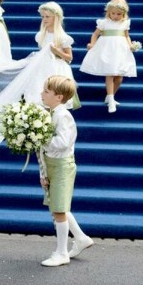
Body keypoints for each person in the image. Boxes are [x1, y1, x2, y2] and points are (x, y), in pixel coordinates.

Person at [38, 75, 92, 267]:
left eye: (46, 91)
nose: (42, 94)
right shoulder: (52, 113)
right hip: (52, 164)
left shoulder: (63, 116)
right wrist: (43, 172)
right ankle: (80, 237)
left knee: (59, 209)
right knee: (57, 204)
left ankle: (62, 253)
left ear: (59, 97)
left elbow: (62, 143)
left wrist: (40, 138)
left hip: (62, 165)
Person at [80, 0, 137, 113]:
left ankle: (109, 96)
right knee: (110, 74)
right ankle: (111, 100)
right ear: (109, 12)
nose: (116, 16)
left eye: (119, 14)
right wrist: (92, 44)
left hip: (120, 50)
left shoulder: (125, 23)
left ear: (124, 14)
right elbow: (95, 34)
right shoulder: (104, 23)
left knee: (119, 77)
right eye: (113, 13)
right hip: (107, 50)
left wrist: (130, 45)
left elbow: (126, 36)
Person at [23, 2, 79, 110]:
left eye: (47, 17)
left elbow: (69, 57)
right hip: (42, 66)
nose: (44, 19)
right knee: (39, 92)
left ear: (56, 18)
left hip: (57, 68)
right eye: (43, 17)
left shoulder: (63, 37)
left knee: (54, 92)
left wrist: (56, 51)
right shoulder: (41, 35)